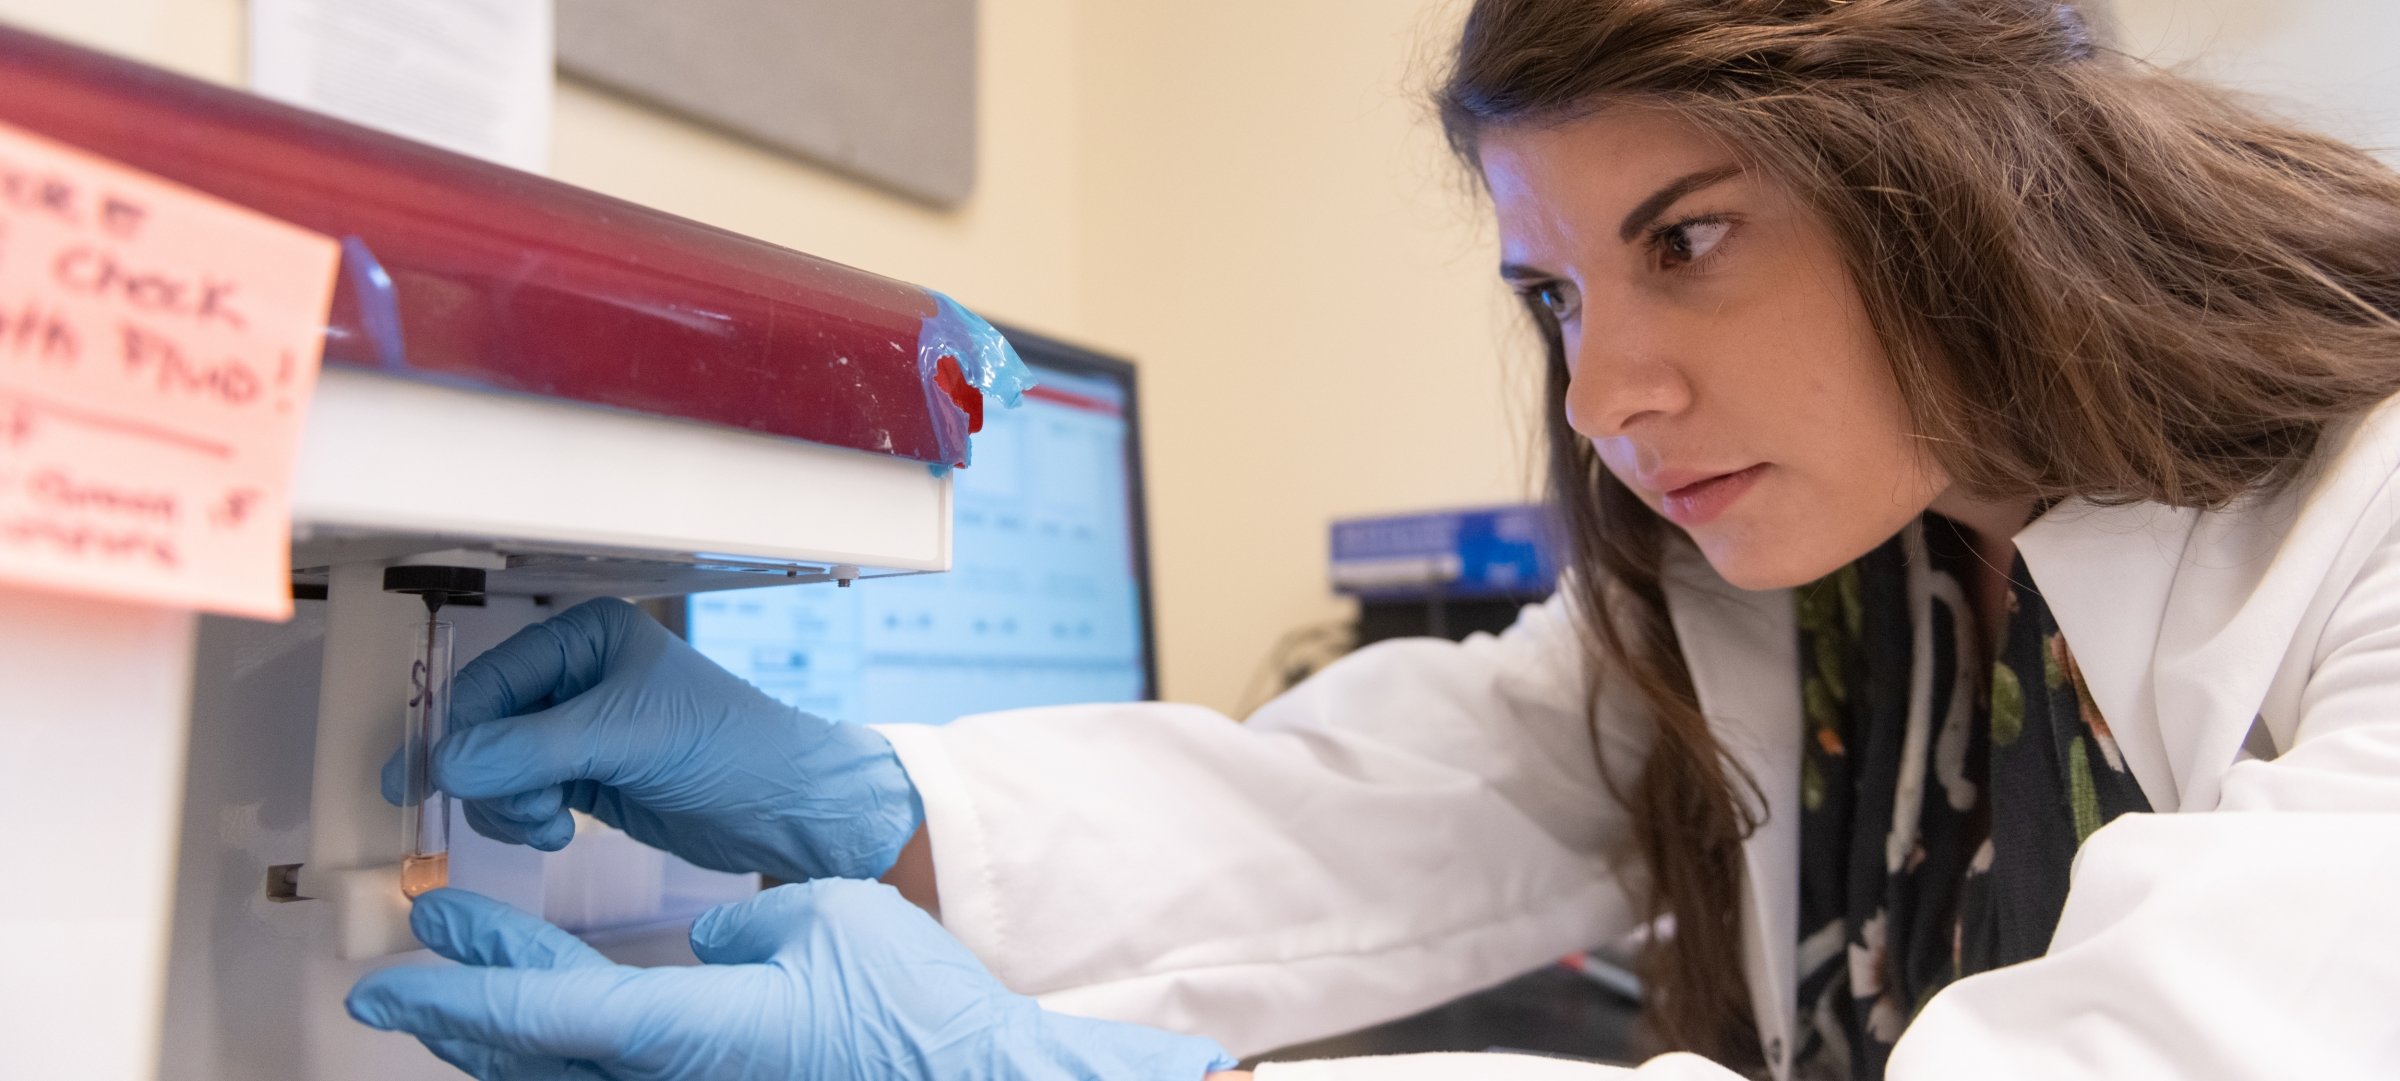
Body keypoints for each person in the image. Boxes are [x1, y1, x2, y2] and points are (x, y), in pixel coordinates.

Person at [342, 0, 2400, 1077]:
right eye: (1560, 291)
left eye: (1687, 240)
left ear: (1964, 181)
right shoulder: (1841, 567)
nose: (1606, 395)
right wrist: (876, 809)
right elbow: (1398, 791)